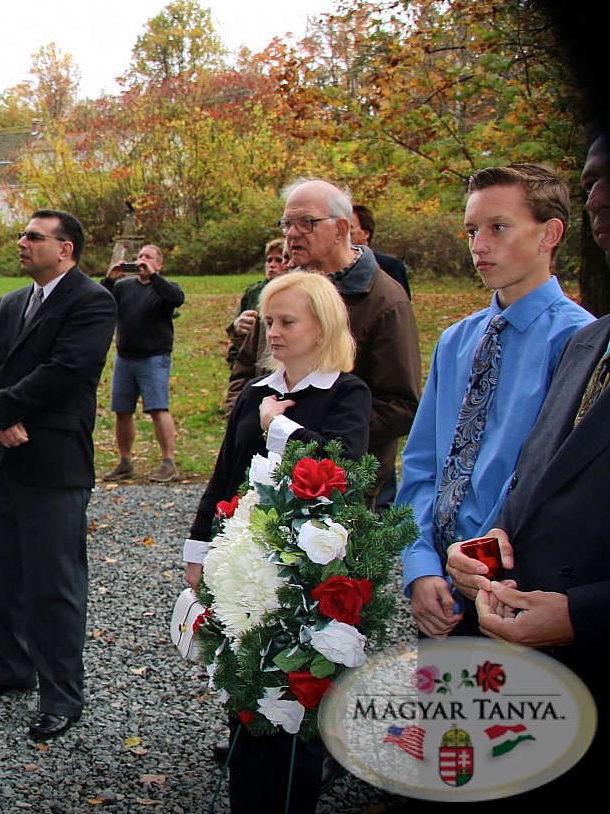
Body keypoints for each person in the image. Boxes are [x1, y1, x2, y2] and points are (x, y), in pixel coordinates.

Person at [445, 135, 610, 803]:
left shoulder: (569, 331)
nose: (597, 193)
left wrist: (582, 614)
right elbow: (531, 477)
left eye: (498, 226)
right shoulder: (595, 344)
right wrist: (450, 558)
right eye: (592, 177)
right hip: (493, 605)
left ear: (551, 235)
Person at [185, 270, 370, 814]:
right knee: (244, 689)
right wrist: (199, 551)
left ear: (323, 324)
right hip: (245, 569)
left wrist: (281, 430)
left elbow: (346, 469)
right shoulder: (255, 393)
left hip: (311, 580)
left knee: (296, 697)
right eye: (269, 322)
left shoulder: (346, 392)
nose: (275, 333)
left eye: (288, 321)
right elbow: (224, 476)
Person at [400, 165, 591, 638]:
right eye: (471, 230)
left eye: (498, 228)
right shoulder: (456, 340)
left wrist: (474, 560)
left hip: (517, 595)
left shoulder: (580, 343)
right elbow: (422, 463)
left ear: (550, 234)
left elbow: (548, 483)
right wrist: (421, 565)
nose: (478, 246)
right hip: (440, 592)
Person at [0, 209, 116, 743]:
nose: (22, 242)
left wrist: (1, 410)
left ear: (66, 249)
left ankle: (61, 695)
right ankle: (10, 668)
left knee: (54, 584)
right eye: (23, 235)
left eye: (34, 236)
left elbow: (67, 369)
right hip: (4, 458)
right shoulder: (10, 303)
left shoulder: (93, 301)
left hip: (53, 460)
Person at [230, 180, 421, 508]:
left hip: (339, 491)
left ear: (340, 229)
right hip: (260, 476)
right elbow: (246, 370)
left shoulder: (384, 301)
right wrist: (246, 427)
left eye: (306, 222)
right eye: (287, 223)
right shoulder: (282, 292)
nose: (292, 234)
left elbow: (401, 405)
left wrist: (302, 431)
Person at [102, 243, 185, 483]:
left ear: (158, 264)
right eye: (139, 256)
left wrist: (154, 277)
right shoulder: (123, 287)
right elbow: (98, 301)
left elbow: (177, 299)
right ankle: (125, 461)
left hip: (154, 357)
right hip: (125, 357)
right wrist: (109, 279)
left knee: (158, 408)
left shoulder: (164, 288)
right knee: (122, 411)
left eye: (148, 257)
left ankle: (168, 462)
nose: (141, 260)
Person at [226, 238, 285, 368]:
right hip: (252, 370)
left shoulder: (298, 294)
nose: (272, 265)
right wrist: (237, 329)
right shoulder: (252, 293)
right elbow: (236, 342)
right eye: (269, 260)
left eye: (278, 260)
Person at [350, 203, 412, 300]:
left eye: (350, 227)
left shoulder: (391, 267)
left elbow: (402, 307)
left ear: (365, 234)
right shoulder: (330, 267)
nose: (343, 232)